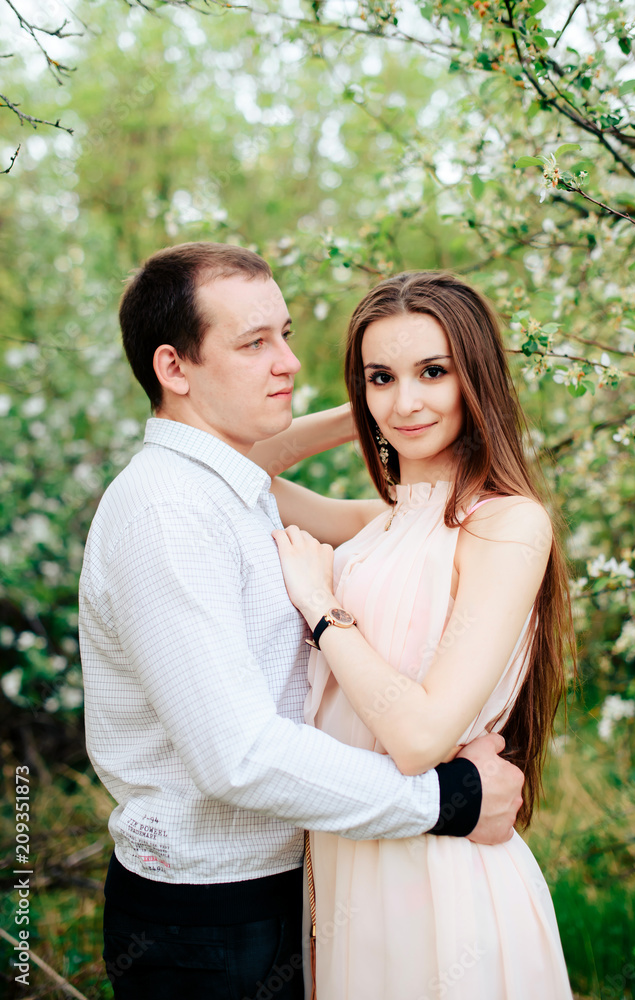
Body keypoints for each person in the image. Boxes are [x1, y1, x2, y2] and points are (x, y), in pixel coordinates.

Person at [78, 244, 525, 1000]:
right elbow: (239, 756)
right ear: (174, 369)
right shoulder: (168, 514)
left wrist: (400, 402)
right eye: (255, 344)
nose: (287, 361)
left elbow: (263, 454)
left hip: (305, 879)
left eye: (284, 334)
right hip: (211, 920)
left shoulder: (233, 486)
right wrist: (448, 800)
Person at [271, 271, 575, 999]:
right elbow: (241, 466)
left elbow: (420, 740)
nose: (407, 401)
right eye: (383, 376)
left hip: (442, 878)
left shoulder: (507, 524)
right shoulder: (377, 525)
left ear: (477, 377)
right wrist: (370, 407)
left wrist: (321, 609)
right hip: (348, 869)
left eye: (434, 371)